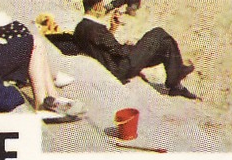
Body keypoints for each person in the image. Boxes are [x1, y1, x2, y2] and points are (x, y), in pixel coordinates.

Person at [68, 13, 197, 98]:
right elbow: (119, 51)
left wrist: (113, 29)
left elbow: (102, 46)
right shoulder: (96, 29)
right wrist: (129, 47)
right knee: (158, 33)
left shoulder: (81, 27)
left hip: (116, 63)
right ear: (96, 7)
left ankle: (175, 82)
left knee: (165, 44)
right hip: (122, 67)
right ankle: (176, 78)